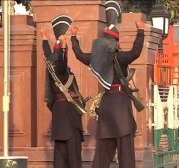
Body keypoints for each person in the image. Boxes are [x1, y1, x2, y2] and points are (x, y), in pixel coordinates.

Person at [70, 20, 145, 167]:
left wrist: (74, 37)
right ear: (116, 42)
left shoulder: (96, 59)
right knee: (126, 151)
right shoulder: (120, 57)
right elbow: (136, 52)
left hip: (106, 105)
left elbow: (79, 55)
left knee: (103, 152)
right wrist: (140, 31)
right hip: (121, 106)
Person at [41, 16, 85, 168]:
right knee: (74, 159)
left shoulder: (50, 65)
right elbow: (61, 62)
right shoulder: (60, 68)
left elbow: (48, 55)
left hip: (59, 118)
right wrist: (64, 47)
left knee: (59, 159)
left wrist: (45, 39)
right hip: (70, 117)